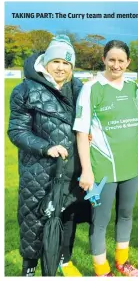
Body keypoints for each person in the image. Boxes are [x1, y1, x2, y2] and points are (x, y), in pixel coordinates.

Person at [8, 34, 90, 277]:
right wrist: (45, 147)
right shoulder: (25, 89)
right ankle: (30, 268)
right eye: (56, 61)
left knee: (67, 217)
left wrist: (89, 135)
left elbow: (84, 122)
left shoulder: (79, 88)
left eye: (67, 63)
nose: (61, 67)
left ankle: (62, 261)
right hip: (40, 170)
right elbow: (17, 130)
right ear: (45, 62)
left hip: (71, 168)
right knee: (34, 219)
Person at [74, 40, 138, 277]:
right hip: (102, 168)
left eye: (121, 60)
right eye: (111, 59)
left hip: (132, 166)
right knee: (100, 220)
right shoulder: (91, 88)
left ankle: (122, 263)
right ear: (103, 59)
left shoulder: (134, 88)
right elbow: (82, 133)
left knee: (126, 214)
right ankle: (102, 271)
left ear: (128, 62)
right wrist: (87, 170)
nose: (116, 64)